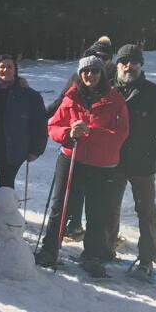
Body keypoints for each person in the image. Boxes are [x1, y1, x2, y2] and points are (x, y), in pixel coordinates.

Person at [37, 56, 129, 280]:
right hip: (71, 158)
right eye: (86, 71)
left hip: (101, 164)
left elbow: (121, 134)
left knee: (97, 211)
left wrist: (90, 131)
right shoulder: (71, 96)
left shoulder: (115, 100)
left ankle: (92, 256)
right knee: (61, 206)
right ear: (80, 74)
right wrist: (68, 133)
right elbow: (54, 126)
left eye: (95, 71)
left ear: (102, 74)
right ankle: (50, 249)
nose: (90, 75)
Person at [111, 45, 156, 284]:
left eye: (134, 62)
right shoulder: (107, 90)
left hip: (142, 162)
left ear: (141, 65)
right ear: (117, 64)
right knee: (108, 207)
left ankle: (147, 259)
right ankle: (106, 249)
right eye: (124, 62)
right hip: (111, 160)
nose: (128, 66)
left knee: (146, 211)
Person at [44, 36, 116, 240]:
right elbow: (60, 106)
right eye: (95, 57)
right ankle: (68, 229)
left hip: (100, 156)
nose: (99, 63)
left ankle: (100, 243)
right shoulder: (77, 82)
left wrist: (92, 132)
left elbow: (120, 128)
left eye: (104, 58)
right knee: (68, 195)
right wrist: (63, 130)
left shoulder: (114, 83)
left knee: (98, 203)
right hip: (74, 152)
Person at [0, 55, 47, 237]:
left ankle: (7, 226)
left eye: (9, 67)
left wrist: (36, 149)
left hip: (13, 150)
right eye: (2, 67)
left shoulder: (28, 94)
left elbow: (39, 123)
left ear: (15, 70)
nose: (6, 70)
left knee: (7, 192)